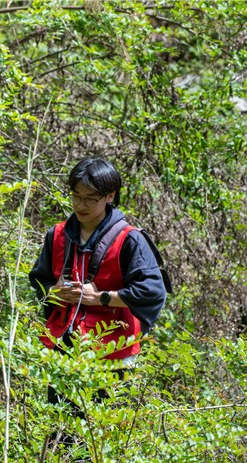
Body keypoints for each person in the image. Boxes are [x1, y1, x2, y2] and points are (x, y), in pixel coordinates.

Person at [29, 157, 167, 423]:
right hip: (64, 351)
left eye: (90, 199)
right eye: (76, 196)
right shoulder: (56, 235)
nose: (81, 205)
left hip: (113, 356)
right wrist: (53, 292)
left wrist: (102, 298)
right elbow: (38, 280)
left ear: (110, 196)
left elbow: (152, 292)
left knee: (105, 438)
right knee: (61, 433)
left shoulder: (130, 239)